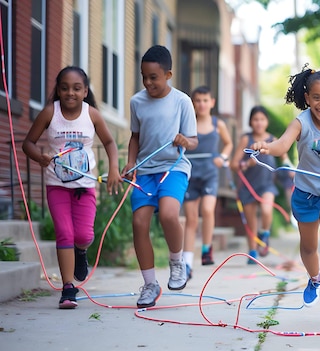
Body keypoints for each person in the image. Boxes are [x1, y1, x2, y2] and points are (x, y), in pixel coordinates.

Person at [250, 66, 320, 307]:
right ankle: (315, 278)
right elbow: (281, 146)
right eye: (316, 97)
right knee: (308, 246)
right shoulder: (301, 122)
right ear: (307, 98)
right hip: (305, 192)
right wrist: (265, 146)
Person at [22, 66, 122, 309]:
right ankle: (68, 288)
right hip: (57, 185)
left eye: (77, 88)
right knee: (64, 232)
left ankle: (80, 252)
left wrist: (114, 169)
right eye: (65, 88)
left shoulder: (92, 115)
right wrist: (40, 156)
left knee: (84, 235)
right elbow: (28, 143)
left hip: (85, 185)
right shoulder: (49, 113)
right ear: (58, 89)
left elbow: (109, 142)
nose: (70, 93)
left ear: (85, 91)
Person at [121, 45, 198, 308]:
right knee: (139, 223)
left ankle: (177, 263)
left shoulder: (182, 101)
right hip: (145, 171)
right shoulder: (136, 102)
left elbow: (194, 142)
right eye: (144, 76)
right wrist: (131, 162)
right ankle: (150, 284)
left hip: (174, 167)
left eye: (153, 77)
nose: (148, 82)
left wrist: (184, 140)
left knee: (168, 214)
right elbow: (135, 137)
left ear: (168, 74)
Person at [182, 86, 233, 277]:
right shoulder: (188, 123)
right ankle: (187, 262)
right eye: (198, 100)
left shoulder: (217, 123)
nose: (202, 104)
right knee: (191, 218)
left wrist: (223, 157)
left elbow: (229, 143)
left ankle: (206, 248)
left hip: (210, 173)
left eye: (205, 100)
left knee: (208, 210)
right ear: (193, 103)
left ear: (212, 102)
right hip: (190, 173)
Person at [230, 106, 285, 263]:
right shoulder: (246, 139)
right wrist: (246, 164)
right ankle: (252, 252)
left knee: (267, 210)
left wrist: (290, 169)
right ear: (250, 122)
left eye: (262, 119)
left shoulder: (272, 140)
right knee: (251, 221)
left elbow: (284, 155)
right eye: (255, 119)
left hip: (267, 184)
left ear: (266, 121)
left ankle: (265, 233)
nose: (259, 123)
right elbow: (234, 164)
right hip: (248, 186)